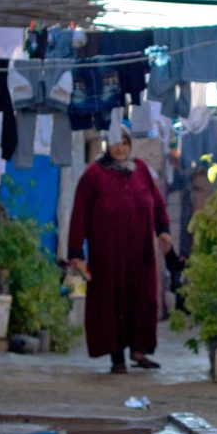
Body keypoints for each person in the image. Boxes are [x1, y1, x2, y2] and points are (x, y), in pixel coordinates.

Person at [67, 125, 173, 374]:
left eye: (125, 143)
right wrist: (75, 254)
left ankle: (139, 351)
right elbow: (79, 215)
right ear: (106, 145)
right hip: (107, 255)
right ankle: (117, 357)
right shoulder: (92, 175)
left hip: (141, 253)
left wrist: (164, 230)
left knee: (143, 299)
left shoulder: (141, 170)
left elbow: (156, 202)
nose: (120, 148)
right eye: (116, 143)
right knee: (111, 301)